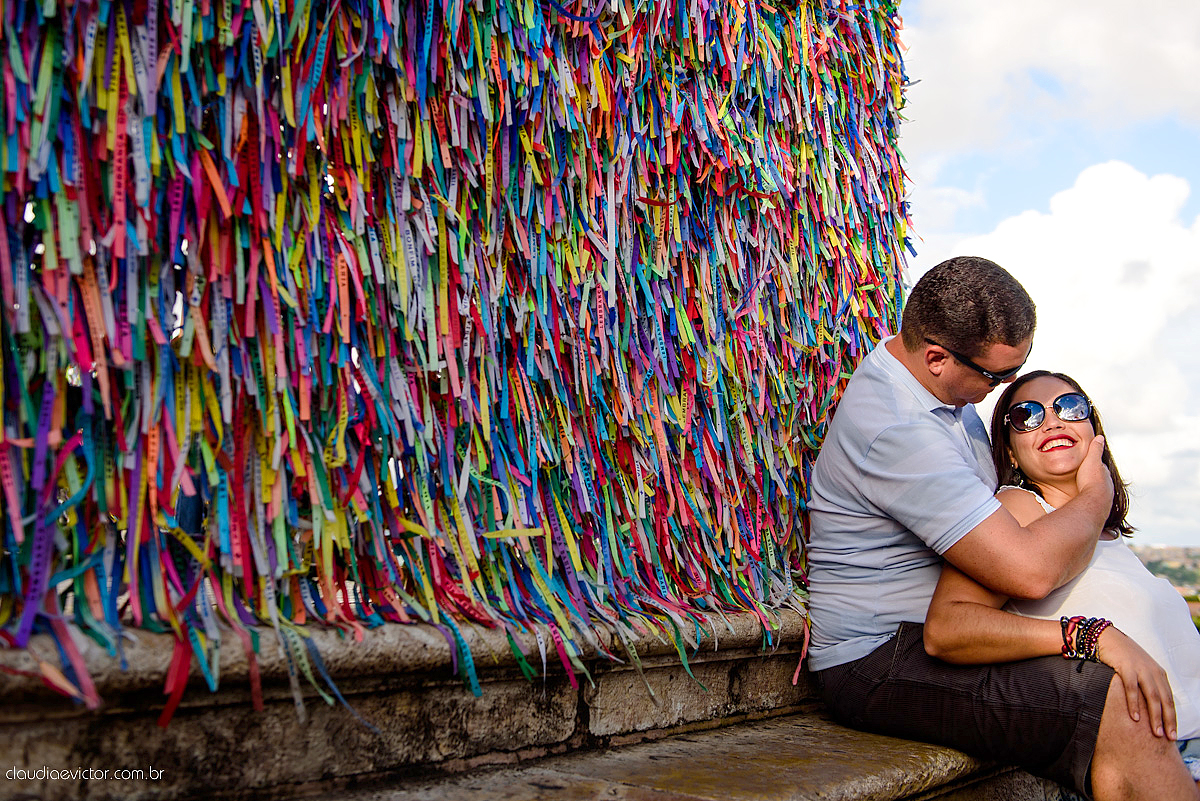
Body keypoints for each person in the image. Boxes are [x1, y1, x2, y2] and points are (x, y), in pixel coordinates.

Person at [805, 256, 1196, 801]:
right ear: (938, 357)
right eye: (999, 377)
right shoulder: (898, 428)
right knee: (1114, 701)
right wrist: (1097, 492)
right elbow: (1028, 573)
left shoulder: (944, 391)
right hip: (879, 659)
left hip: (943, 631)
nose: (1004, 388)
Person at [923, 370, 1200, 785]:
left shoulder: (1105, 534)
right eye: (1026, 416)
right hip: (1160, 753)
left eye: (1069, 407)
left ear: (1094, 432)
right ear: (1012, 453)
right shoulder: (1017, 508)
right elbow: (949, 628)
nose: (1051, 420)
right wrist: (1093, 636)